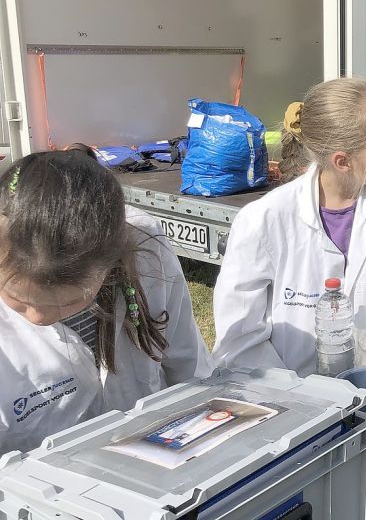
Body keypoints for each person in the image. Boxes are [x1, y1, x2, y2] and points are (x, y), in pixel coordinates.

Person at [212, 78, 366, 374]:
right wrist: (298, 397)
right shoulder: (265, 219)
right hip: (291, 396)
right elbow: (240, 335)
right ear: (343, 161)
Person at [0, 151, 213, 454]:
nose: (37, 317)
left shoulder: (142, 244)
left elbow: (187, 362)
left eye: (70, 302)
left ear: (114, 263)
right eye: (17, 300)